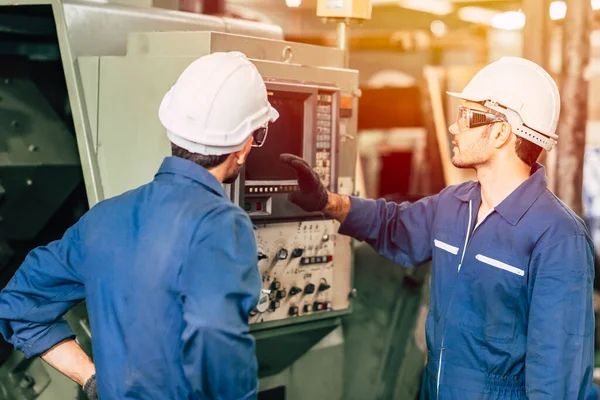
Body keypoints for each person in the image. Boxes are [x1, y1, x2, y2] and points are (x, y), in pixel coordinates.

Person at [281, 56, 595, 399]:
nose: (453, 127)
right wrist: (328, 202)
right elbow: (393, 224)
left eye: (466, 116)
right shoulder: (454, 205)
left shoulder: (558, 237)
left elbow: (557, 378)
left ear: (501, 131)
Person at [0, 51, 278, 399]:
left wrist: (91, 378)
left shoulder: (104, 218)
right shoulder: (222, 223)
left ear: (174, 129)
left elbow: (18, 302)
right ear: (244, 144)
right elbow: (213, 334)